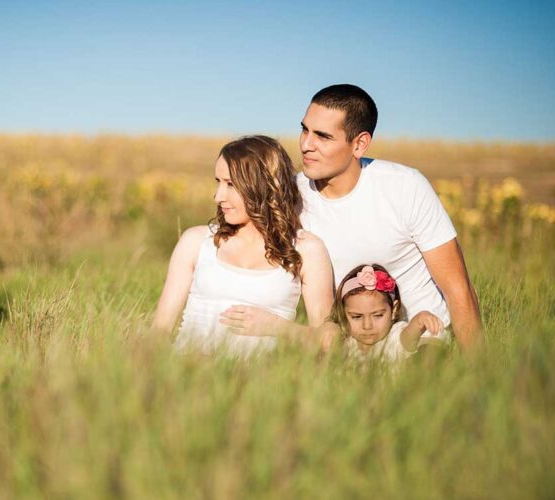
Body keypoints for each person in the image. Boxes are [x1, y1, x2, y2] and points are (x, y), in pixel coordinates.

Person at [226, 84, 483, 351]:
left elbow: (458, 289)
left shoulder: (406, 187)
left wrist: (477, 375)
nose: (306, 145)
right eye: (305, 130)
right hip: (346, 346)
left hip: (419, 342)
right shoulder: (290, 195)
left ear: (359, 144)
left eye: (323, 136)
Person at [152, 135, 334, 357]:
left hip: (262, 385)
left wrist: (277, 327)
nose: (218, 196)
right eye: (218, 182)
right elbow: (159, 334)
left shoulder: (307, 249)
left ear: (264, 186)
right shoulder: (196, 242)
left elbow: (330, 341)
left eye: (231, 184)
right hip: (189, 378)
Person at [329, 264, 445, 366]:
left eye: (378, 315)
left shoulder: (394, 337)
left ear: (393, 310)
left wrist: (419, 320)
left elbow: (408, 337)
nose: (367, 325)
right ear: (343, 313)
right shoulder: (347, 344)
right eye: (356, 317)